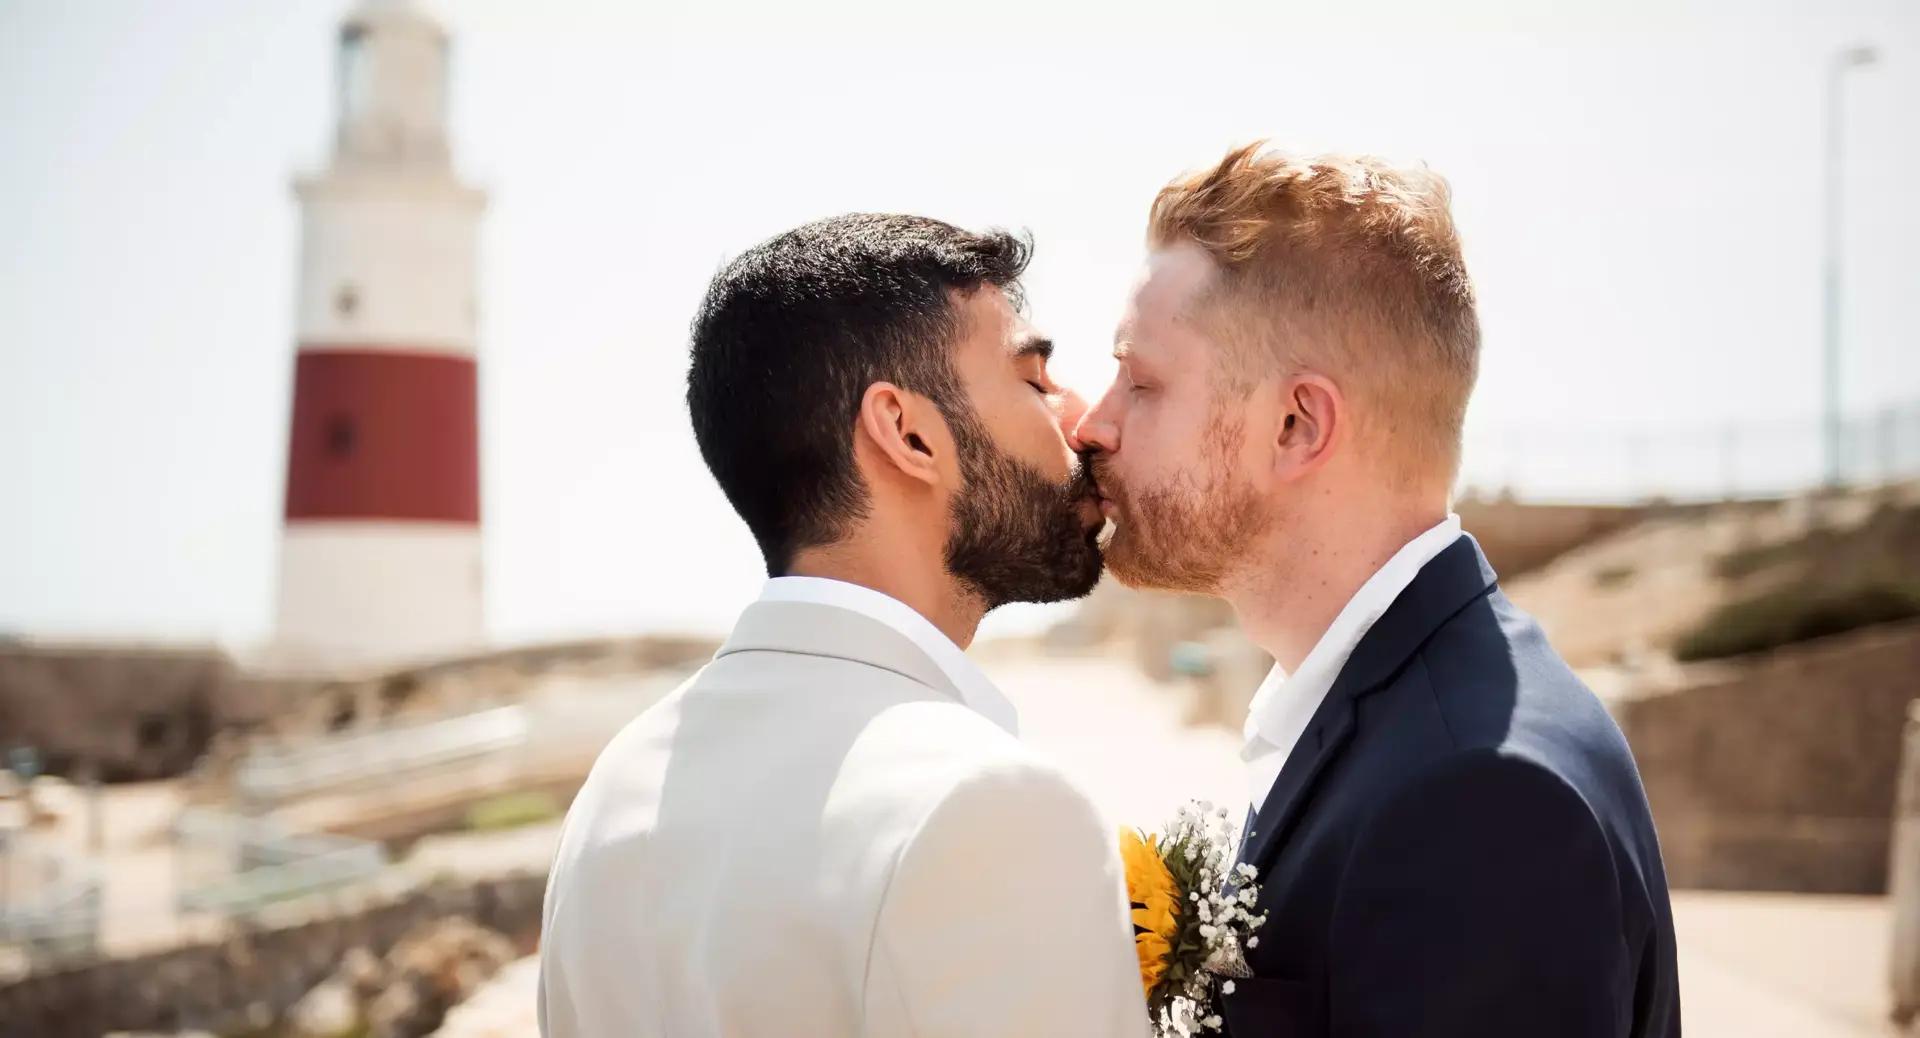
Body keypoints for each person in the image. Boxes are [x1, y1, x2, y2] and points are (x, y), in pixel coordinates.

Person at [1076, 144, 1682, 1036]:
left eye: (1142, 381)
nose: (1095, 424)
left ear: (1295, 425)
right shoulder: (1413, 718)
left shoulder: (1480, 801)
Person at [538, 214, 1149, 1037]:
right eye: (1035, 381)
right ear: (907, 434)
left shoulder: (612, 796)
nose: (1078, 420)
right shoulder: (988, 805)